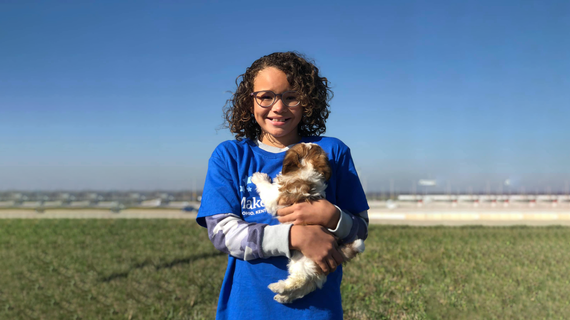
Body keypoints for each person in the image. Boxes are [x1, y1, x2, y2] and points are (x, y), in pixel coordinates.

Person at [196, 51, 369, 320]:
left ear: (308, 101)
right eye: (265, 96)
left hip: (317, 311)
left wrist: (333, 217)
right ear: (248, 101)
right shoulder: (230, 155)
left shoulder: (332, 151)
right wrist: (293, 237)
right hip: (247, 309)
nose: (278, 107)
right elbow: (221, 232)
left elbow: (361, 227)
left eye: (291, 96)